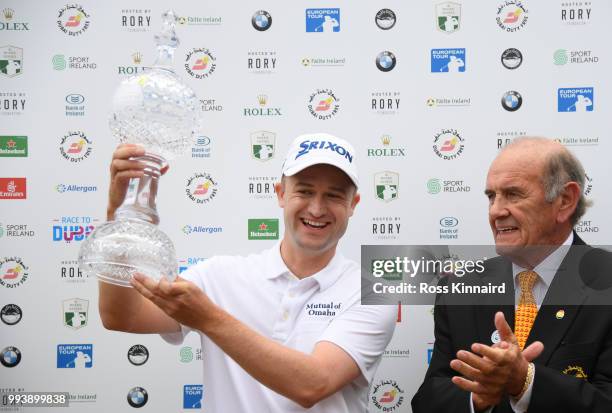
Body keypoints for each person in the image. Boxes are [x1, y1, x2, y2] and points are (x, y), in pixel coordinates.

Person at [99, 133, 396, 412]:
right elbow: (123, 316)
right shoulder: (219, 275)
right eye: (304, 191)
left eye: (333, 196)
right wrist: (119, 215)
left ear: (353, 204)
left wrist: (208, 317)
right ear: (280, 194)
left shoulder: (372, 292)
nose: (317, 209)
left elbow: (313, 384)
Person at [412, 137, 612, 412]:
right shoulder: (461, 287)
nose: (495, 211)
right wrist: (478, 398)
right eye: (491, 196)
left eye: (513, 194)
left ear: (565, 201)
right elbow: (429, 400)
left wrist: (526, 383)